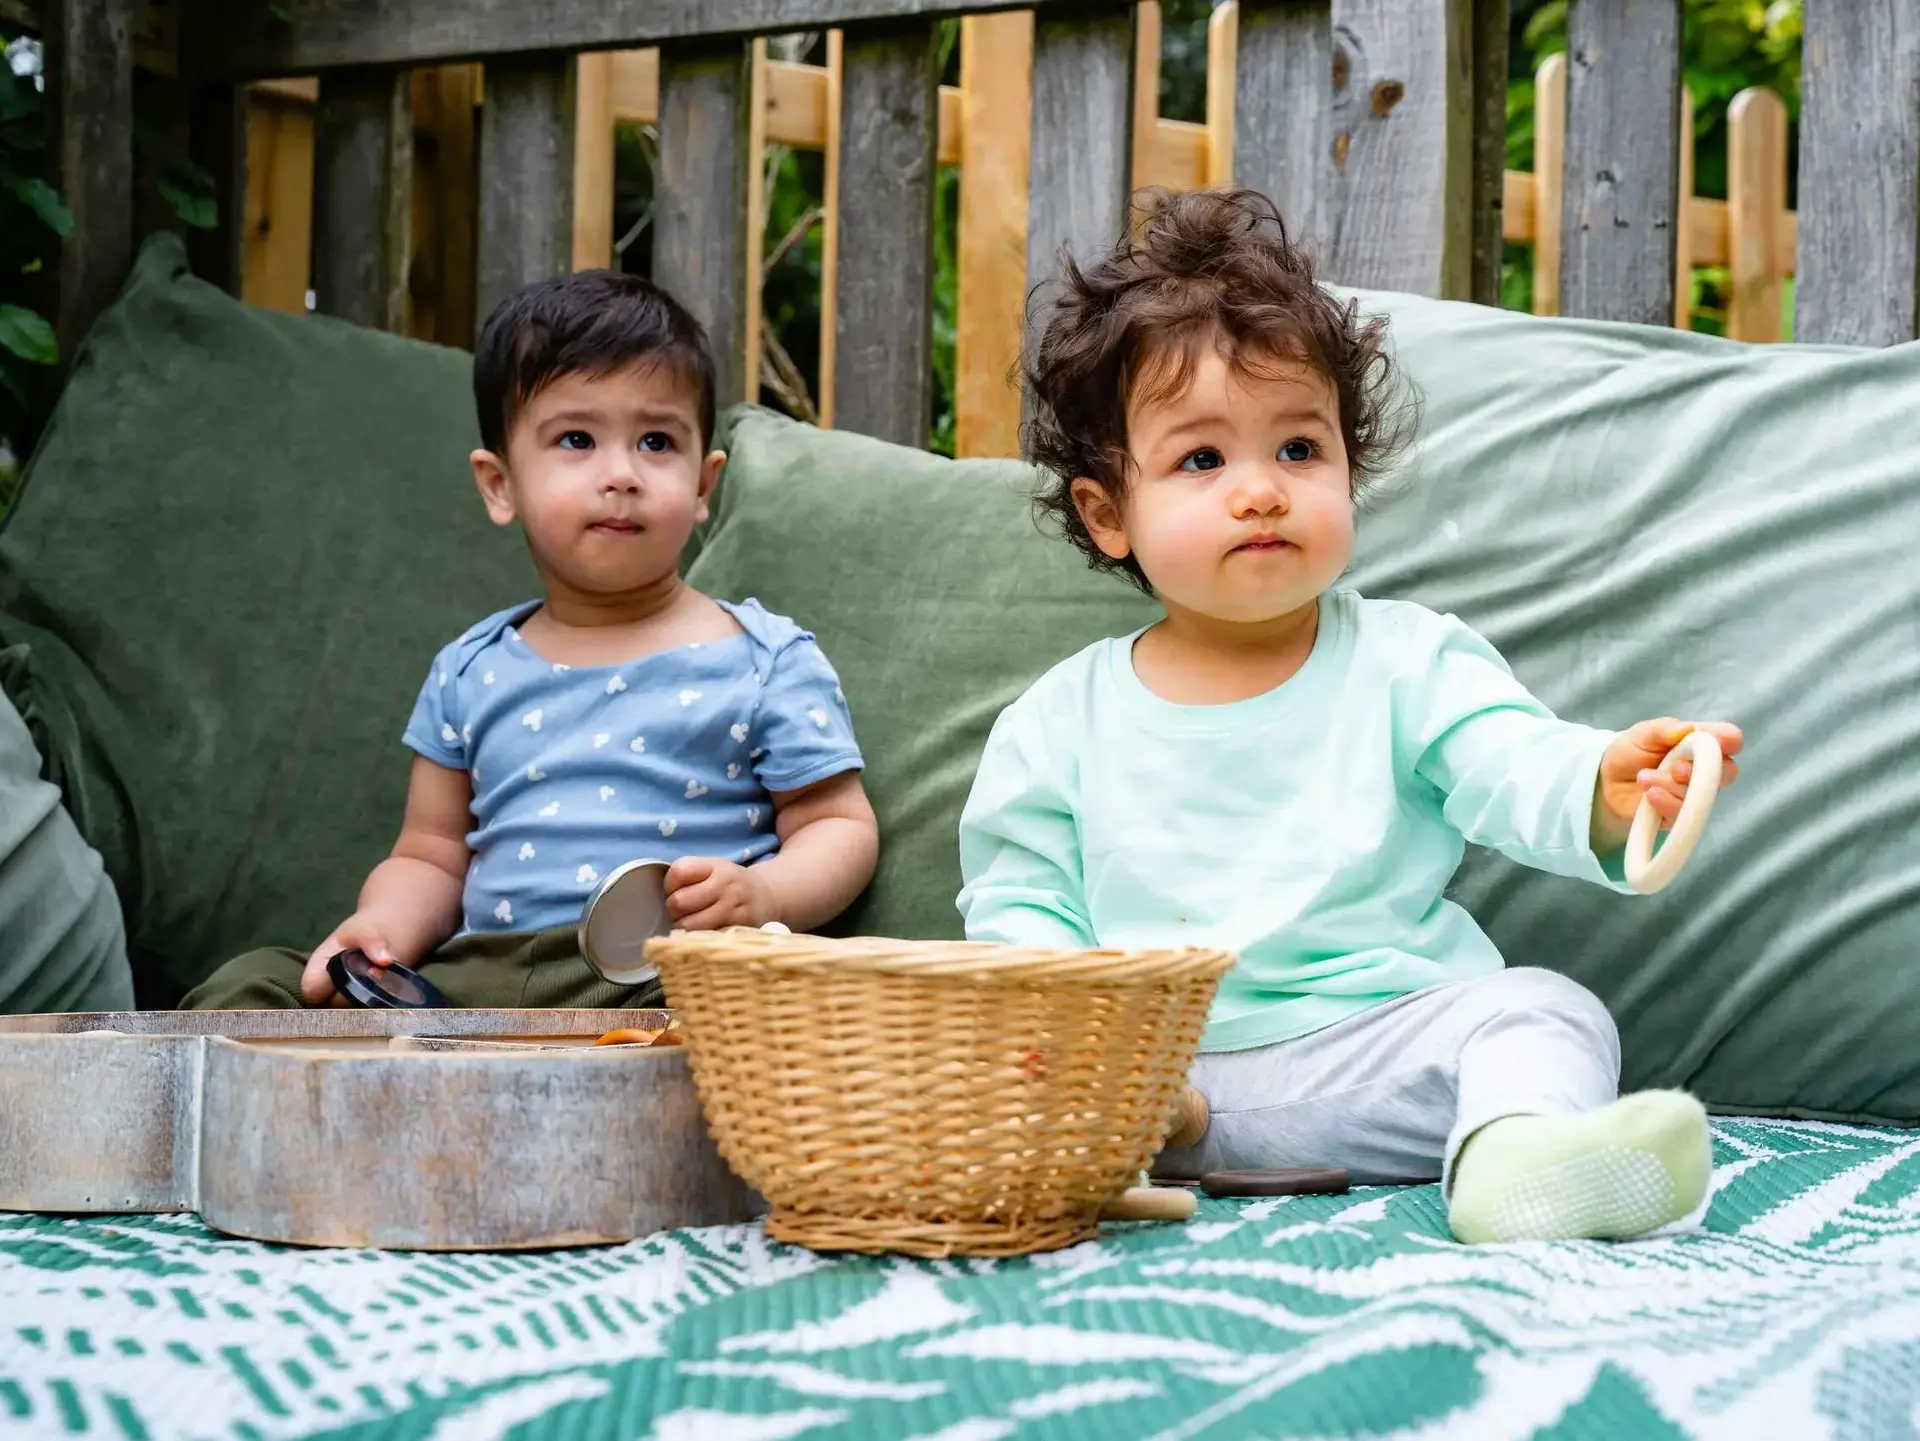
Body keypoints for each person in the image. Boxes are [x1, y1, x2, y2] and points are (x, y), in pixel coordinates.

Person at [957, 188, 1742, 1244]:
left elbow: (1511, 761)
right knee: (1010, 1063)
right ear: (1108, 514)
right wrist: (1071, 1046)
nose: (1263, 491)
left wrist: (1603, 786)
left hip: (1381, 1055)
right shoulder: (1056, 723)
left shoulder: (1408, 660)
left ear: (1347, 466)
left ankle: (1512, 1164)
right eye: (1203, 460)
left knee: (1547, 1008)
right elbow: (1023, 911)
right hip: (1154, 1082)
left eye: (1298, 450)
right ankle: (1137, 1137)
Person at [185, 271, 877, 1010]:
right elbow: (430, 854)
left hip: (666, 976)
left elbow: (839, 825)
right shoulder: (471, 670)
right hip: (483, 985)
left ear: (705, 484)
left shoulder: (763, 659)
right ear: (499, 484)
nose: (621, 474)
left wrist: (763, 893)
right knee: (251, 985)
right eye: (576, 439)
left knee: (778, 1006)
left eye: (656, 441)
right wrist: (378, 930)